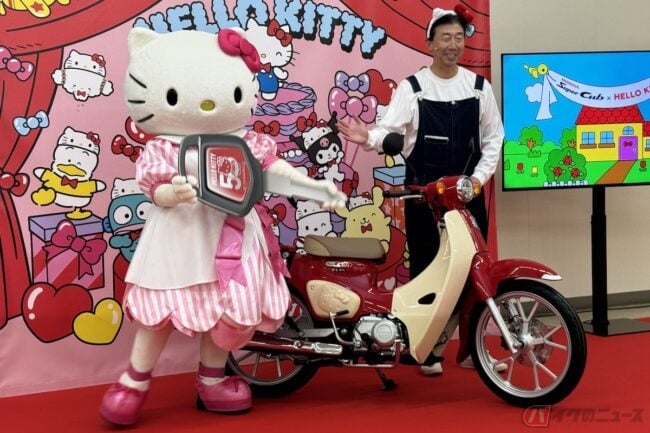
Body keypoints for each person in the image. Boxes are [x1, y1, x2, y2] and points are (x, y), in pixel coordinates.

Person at [336, 5, 505, 376]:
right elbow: (387, 131)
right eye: (445, 38)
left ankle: (473, 348)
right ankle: (427, 350)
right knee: (429, 271)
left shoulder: (479, 88)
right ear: (430, 44)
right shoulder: (412, 88)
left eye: (458, 38)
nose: (453, 45)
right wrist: (368, 137)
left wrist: (477, 180)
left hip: (466, 195)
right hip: (423, 198)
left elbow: (495, 138)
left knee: (475, 273)